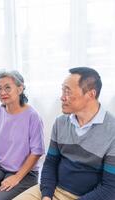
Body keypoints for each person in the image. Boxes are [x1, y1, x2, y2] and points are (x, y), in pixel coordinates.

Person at [14, 67, 115, 200]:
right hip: (52, 189)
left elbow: (109, 189)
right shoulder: (60, 122)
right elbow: (50, 163)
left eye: (68, 91)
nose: (62, 97)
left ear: (91, 94)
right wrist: (46, 196)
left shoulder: (111, 130)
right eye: (62, 90)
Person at [0, 70, 45, 200]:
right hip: (0, 164)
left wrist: (17, 177)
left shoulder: (33, 116)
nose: (2, 92)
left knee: (0, 199)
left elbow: (37, 152)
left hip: (25, 172)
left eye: (7, 88)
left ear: (20, 88)